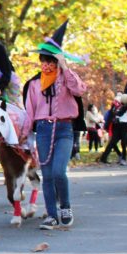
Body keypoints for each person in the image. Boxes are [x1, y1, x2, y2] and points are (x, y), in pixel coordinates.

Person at [21, 20, 86, 230]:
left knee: (59, 171)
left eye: (51, 61)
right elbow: (29, 111)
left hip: (64, 130)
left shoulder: (66, 80)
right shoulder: (33, 84)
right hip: (43, 130)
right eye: (44, 61)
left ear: (57, 63)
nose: (47, 65)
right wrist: (24, 133)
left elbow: (80, 90)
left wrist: (65, 67)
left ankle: (65, 207)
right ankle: (51, 214)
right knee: (47, 175)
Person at [99, 94, 127, 165]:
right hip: (120, 125)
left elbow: (115, 114)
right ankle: (106, 158)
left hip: (122, 125)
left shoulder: (123, 105)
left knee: (126, 142)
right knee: (119, 142)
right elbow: (115, 114)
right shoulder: (119, 105)